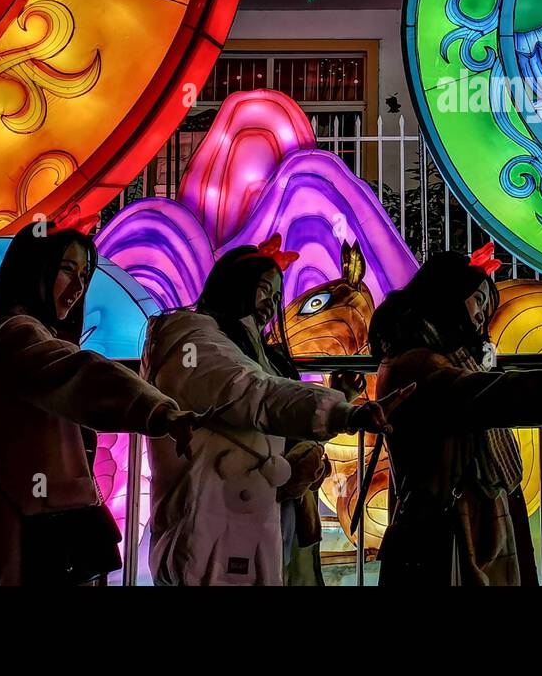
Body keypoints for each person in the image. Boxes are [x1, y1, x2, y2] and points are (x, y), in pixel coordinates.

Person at [0, 227, 198, 586]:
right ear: (34, 270)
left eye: (84, 276)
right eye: (65, 270)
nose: (77, 289)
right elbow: (82, 375)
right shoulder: (15, 333)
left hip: (11, 528)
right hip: (29, 540)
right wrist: (158, 411)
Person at [369, 250, 542, 586]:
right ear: (448, 298)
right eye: (477, 300)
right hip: (452, 522)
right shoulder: (420, 367)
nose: (483, 314)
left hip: (458, 511)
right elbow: (504, 395)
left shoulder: (432, 356)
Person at [140, 240, 406, 586]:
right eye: (264, 290)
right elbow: (250, 394)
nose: (271, 303)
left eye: (277, 296)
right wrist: (343, 413)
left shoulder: (254, 349)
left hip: (259, 512)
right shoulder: (189, 337)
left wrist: (336, 400)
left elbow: (269, 405)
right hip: (209, 515)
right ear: (235, 285)